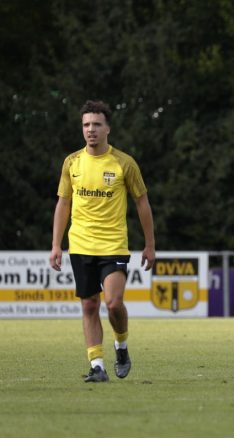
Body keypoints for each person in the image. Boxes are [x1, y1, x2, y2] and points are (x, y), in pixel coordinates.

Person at [49, 100, 156, 382]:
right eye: (86, 124)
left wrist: (150, 245)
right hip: (80, 245)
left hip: (113, 244)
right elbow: (63, 203)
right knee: (88, 305)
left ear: (108, 128)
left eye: (96, 124)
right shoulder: (72, 162)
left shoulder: (124, 163)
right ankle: (97, 365)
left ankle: (121, 345)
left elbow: (142, 203)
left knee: (113, 302)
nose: (91, 130)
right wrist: (56, 244)